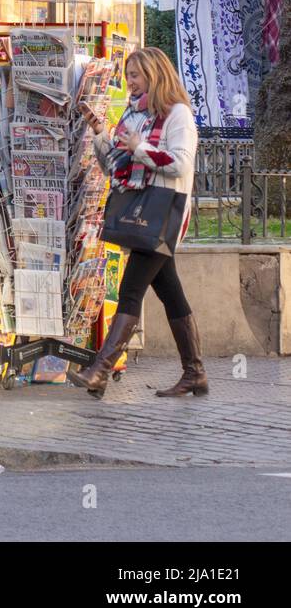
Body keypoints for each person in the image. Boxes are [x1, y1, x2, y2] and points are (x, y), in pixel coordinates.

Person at [71, 46, 202, 398]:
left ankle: (100, 370)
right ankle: (195, 372)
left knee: (131, 290)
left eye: (135, 76)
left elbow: (180, 163)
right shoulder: (136, 114)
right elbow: (114, 164)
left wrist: (140, 147)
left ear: (154, 75)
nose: (129, 83)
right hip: (142, 211)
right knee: (170, 291)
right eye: (128, 76)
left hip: (162, 214)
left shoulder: (178, 116)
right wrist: (100, 133)